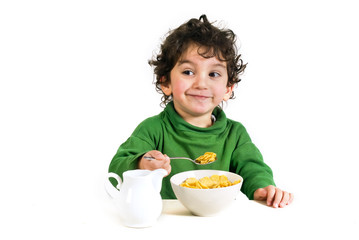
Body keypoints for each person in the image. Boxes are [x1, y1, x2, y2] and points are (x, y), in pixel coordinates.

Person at [109, 15, 294, 208]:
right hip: (166, 221)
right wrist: (142, 163)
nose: (201, 84)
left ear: (228, 89)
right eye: (188, 72)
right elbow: (116, 173)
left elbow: (252, 168)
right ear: (165, 82)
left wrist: (263, 188)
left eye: (214, 74)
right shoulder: (152, 129)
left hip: (216, 222)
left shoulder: (235, 134)